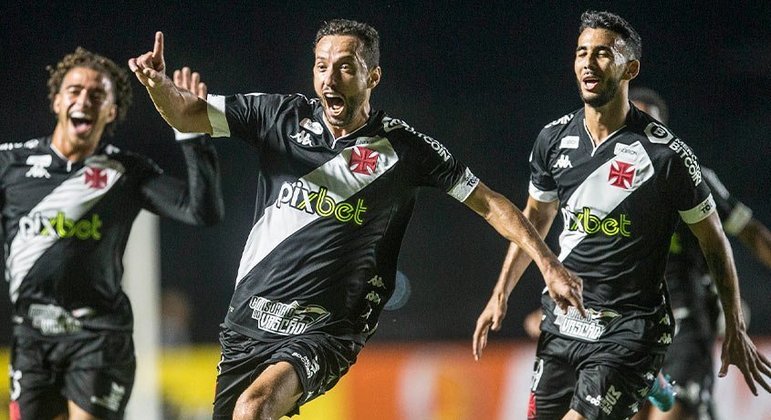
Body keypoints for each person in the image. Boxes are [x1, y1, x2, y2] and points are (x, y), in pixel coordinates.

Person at [128, 19, 585, 419]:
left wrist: (549, 264)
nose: (331, 78)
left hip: (325, 329)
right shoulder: (277, 117)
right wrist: (157, 86)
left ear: (373, 76)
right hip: (248, 321)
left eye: (346, 66)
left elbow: (491, 203)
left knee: (254, 408)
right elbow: (187, 113)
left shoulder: (406, 150)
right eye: (322, 65)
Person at [472, 10, 771, 420]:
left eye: (602, 54)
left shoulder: (668, 157)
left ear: (629, 67)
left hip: (637, 328)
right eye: (582, 52)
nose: (588, 63)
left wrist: (734, 325)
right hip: (568, 324)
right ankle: (653, 384)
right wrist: (501, 292)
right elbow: (534, 219)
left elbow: (719, 239)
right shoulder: (554, 140)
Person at [3, 48, 224, 419]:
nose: (84, 100)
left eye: (97, 95)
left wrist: (191, 132)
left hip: (98, 336)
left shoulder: (124, 172)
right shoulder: (11, 165)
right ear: (57, 100)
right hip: (32, 337)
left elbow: (201, 211)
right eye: (74, 91)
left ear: (111, 110)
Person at [629, 87, 771, 419]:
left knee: (676, 412)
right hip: (627, 328)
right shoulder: (599, 185)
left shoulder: (693, 179)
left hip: (685, 325)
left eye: (651, 124)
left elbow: (752, 234)